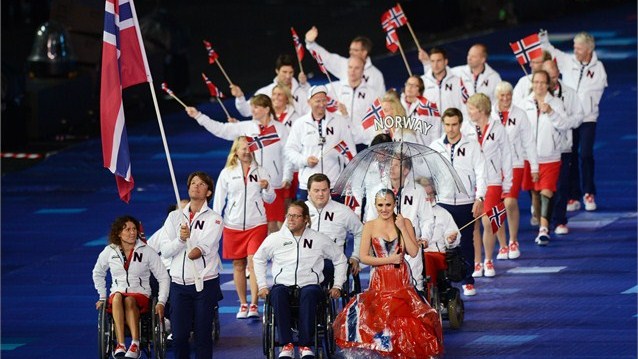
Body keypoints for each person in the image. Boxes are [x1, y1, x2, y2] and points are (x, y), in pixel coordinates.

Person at [333, 189, 443, 358]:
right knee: (382, 321)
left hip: (401, 279)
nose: (384, 209)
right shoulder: (369, 226)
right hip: (380, 279)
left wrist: (403, 228)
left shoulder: (404, 222)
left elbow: (413, 252)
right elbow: (364, 257)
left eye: (388, 205)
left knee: (404, 319)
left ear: (395, 204)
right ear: (375, 206)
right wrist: (389, 259)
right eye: (380, 205)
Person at [254, 201, 347, 359]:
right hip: (283, 284)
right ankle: (286, 345)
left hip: (310, 285)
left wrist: (337, 285)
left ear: (305, 219)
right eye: (289, 215)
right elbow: (258, 259)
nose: (291, 219)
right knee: (277, 293)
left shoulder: (319, 239)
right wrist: (262, 285)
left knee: (310, 293)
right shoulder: (275, 238)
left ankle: (305, 344)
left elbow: (340, 259)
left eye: (296, 216)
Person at [186, 94, 291, 233]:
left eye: (256, 107)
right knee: (257, 225)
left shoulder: (281, 129)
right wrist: (199, 116)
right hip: (250, 182)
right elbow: (221, 129)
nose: (252, 110)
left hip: (273, 183)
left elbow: (288, 154)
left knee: (274, 225)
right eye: (252, 107)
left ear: (266, 109)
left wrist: (287, 176)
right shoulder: (246, 127)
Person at [159, 171, 223, 359]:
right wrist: (180, 239)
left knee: (203, 336)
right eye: (193, 183)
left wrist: (188, 242)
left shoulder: (215, 219)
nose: (196, 186)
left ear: (209, 192)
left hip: (204, 284)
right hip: (179, 285)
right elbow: (166, 250)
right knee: (179, 337)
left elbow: (198, 251)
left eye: (201, 184)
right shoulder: (174, 217)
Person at [541, 30, 607, 211]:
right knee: (569, 156)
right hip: (569, 117)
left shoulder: (598, 68)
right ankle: (573, 194)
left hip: (587, 118)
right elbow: (551, 52)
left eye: (578, 48)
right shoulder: (568, 61)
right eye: (574, 48)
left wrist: (585, 106)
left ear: (588, 50)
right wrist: (544, 41)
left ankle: (588, 192)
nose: (575, 51)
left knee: (585, 154)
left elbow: (597, 90)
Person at [213, 136, 275, 319]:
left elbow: (270, 199)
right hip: (232, 224)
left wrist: (267, 187)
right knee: (238, 265)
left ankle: (254, 303)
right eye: (242, 148)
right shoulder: (227, 172)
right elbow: (219, 201)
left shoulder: (262, 171)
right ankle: (243, 304)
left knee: (253, 262)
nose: (246, 151)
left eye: (249, 148)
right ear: (236, 151)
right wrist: (216, 222)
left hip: (257, 224)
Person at [93, 215, 170, 359]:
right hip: (117, 294)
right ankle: (120, 344)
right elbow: (97, 272)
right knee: (116, 297)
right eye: (127, 229)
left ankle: (135, 344)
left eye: (134, 229)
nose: (132, 232)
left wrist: (161, 302)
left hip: (140, 295)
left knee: (129, 300)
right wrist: (102, 296)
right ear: (118, 233)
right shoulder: (110, 251)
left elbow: (163, 277)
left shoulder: (147, 251)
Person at [429, 108, 487, 296]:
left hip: (466, 202)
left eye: (454, 125)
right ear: (443, 125)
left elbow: (481, 171)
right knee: (441, 242)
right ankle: (445, 281)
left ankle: (468, 279)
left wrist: (480, 197)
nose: (451, 129)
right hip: (443, 202)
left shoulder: (472, 145)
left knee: (466, 243)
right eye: (447, 125)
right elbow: (428, 172)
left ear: (460, 124)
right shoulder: (435, 146)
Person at [464, 93, 512, 277]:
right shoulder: (466, 128)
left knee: (488, 220)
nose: (469, 112)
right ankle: (477, 262)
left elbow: (507, 155)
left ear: (482, 110)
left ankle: (488, 260)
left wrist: (507, 182)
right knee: (474, 223)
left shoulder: (497, 128)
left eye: (472, 109)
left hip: (492, 179)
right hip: (473, 181)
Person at [521, 70, 570, 246]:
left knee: (546, 190)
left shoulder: (556, 103)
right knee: (534, 191)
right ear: (532, 83)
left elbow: (565, 125)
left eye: (543, 82)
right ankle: (538, 213)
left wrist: (550, 112)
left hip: (551, 156)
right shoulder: (524, 103)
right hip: (529, 156)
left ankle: (544, 229)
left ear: (548, 84)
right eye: (536, 82)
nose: (539, 86)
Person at [491, 81, 538, 259]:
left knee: (509, 202)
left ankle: (513, 239)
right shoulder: (490, 115)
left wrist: (533, 166)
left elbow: (528, 141)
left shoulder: (520, 115)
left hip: (515, 163)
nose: (505, 99)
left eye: (508, 95)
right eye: (502, 96)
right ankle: (502, 244)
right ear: (497, 97)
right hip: (495, 165)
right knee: (497, 206)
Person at [285, 85, 356, 200]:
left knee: (334, 217)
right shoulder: (300, 123)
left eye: (324, 100)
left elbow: (350, 152)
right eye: (318, 101)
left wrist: (351, 180)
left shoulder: (339, 121)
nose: (322, 104)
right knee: (308, 217)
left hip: (333, 183)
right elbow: (289, 150)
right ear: (309, 102)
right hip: (308, 184)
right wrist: (305, 160)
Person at [543, 59, 584, 235]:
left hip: (563, 146)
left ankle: (559, 220)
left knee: (561, 184)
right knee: (540, 188)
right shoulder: (533, 98)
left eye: (553, 75)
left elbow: (579, 116)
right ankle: (544, 219)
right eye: (547, 77)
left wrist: (566, 122)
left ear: (558, 73)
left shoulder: (570, 93)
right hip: (541, 149)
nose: (551, 80)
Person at [305, 173, 363, 288]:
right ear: (308, 191)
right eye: (316, 190)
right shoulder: (300, 210)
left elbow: (361, 231)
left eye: (324, 190)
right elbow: (284, 235)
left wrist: (355, 256)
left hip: (330, 261)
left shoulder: (342, 211)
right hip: (303, 259)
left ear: (329, 190)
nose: (321, 194)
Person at [305, 26, 386, 97]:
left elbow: (381, 100)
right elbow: (326, 57)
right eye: (350, 50)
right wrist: (310, 43)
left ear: (364, 52)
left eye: (355, 50)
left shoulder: (376, 75)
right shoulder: (344, 64)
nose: (351, 52)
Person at [231, 54, 309, 118]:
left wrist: (305, 86)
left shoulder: (301, 93)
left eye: (291, 72)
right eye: (284, 72)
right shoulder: (265, 92)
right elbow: (246, 111)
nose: (288, 76)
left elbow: (311, 114)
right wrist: (240, 97)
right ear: (277, 71)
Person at [418, 177, 461, 291]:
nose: (429, 198)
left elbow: (452, 233)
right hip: (414, 252)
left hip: (435, 253)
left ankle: (428, 292)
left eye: (431, 194)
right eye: (426, 195)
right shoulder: (410, 213)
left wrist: (450, 239)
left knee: (426, 257)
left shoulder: (443, 213)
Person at [327, 56, 379, 144]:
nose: (352, 71)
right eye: (350, 67)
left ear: (363, 70)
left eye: (357, 68)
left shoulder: (372, 93)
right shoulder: (334, 87)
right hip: (339, 141)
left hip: (361, 142)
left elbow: (375, 121)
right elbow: (313, 96)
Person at [418, 47, 466, 114]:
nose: (435, 65)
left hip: (452, 123)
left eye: (439, 61)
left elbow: (465, 105)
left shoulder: (457, 81)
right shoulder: (422, 81)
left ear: (445, 62)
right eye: (432, 61)